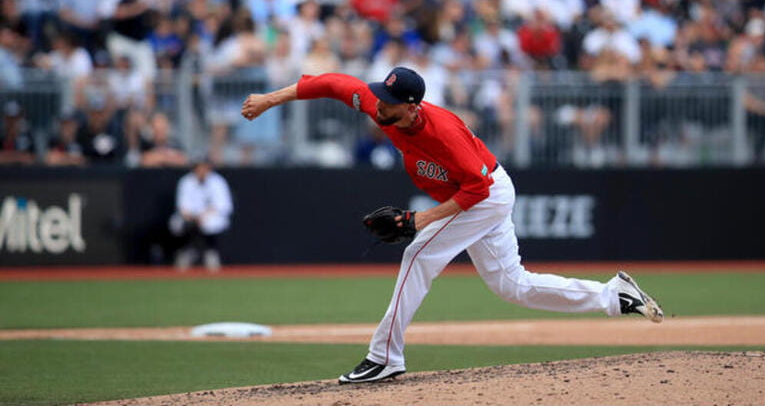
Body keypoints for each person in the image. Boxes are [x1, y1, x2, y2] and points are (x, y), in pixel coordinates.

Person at [240, 67, 664, 384]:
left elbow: (476, 188)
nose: (376, 105)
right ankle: (614, 295)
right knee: (510, 285)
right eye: (378, 97)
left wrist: (421, 219)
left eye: (386, 101)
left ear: (410, 107)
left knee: (418, 252)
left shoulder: (442, 135)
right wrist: (271, 99)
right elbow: (332, 84)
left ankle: (385, 356)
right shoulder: (382, 107)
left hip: (485, 191)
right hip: (483, 188)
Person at [169, 157, 233, 271]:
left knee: (211, 223)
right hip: (191, 217)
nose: (202, 170)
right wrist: (194, 217)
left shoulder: (217, 181)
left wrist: (203, 215)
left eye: (204, 167)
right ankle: (190, 251)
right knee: (178, 223)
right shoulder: (186, 181)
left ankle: (209, 252)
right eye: (199, 167)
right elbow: (182, 206)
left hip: (210, 216)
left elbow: (223, 205)